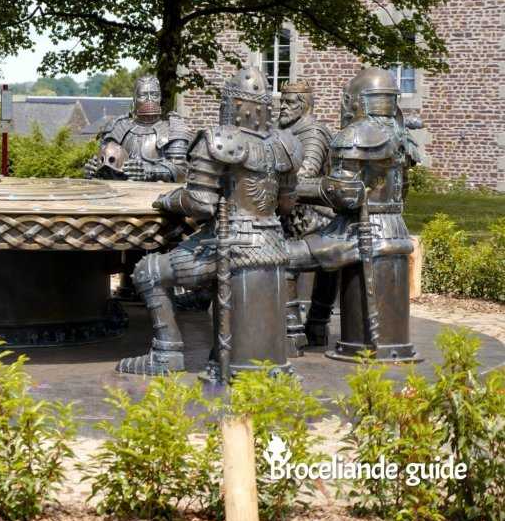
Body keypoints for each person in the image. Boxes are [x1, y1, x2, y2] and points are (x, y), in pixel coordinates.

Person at [116, 66, 301, 377]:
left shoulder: (219, 140)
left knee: (148, 271)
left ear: (232, 106)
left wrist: (170, 199)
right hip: (273, 244)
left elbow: (201, 204)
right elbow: (286, 203)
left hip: (231, 246)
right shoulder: (284, 144)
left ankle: (167, 356)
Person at [288, 67, 417, 361]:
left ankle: (290, 336)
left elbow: (343, 194)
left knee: (282, 258)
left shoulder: (359, 134)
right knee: (320, 256)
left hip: (358, 232)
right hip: (393, 227)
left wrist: (294, 188)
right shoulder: (400, 134)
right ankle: (318, 324)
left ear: (355, 101)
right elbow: (402, 192)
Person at [84, 74, 194, 301]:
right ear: (134, 98)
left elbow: (181, 169)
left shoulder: (172, 128)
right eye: (144, 94)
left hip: (161, 204)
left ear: (161, 98)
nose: (149, 98)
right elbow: (107, 160)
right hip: (122, 204)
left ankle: (164, 288)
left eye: (154, 94)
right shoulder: (118, 127)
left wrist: (149, 171)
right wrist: (94, 169)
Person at [275, 80, 334, 353]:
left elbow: (305, 175)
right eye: (282, 100)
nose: (282, 106)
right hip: (286, 211)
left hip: (312, 216)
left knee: (276, 252)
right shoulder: (281, 129)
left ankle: (294, 328)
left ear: (304, 103)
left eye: (289, 102)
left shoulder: (313, 132)